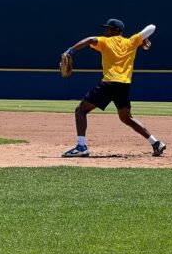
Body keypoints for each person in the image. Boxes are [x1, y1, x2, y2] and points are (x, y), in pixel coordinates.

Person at [61, 18, 166, 158]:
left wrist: (70, 50)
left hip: (110, 83)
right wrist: (143, 39)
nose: (105, 31)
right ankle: (156, 143)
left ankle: (81, 146)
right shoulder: (131, 41)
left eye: (108, 29)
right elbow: (152, 27)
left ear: (116, 30)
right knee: (126, 118)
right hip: (124, 85)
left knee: (80, 110)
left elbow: (91, 39)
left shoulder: (106, 41)